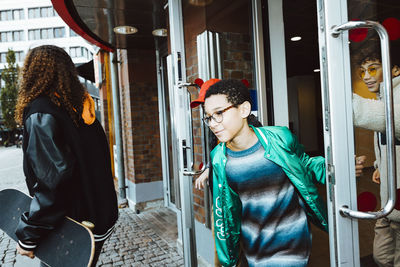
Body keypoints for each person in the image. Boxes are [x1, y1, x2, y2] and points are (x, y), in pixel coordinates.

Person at [203, 79, 328, 267]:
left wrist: (339, 168)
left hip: (293, 244)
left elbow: (306, 165)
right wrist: (229, 257)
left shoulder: (280, 139)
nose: (213, 123)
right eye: (209, 117)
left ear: (244, 110)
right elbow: (227, 210)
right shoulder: (219, 158)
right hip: (255, 250)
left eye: (219, 113)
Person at [14, 45, 118, 266]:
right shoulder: (80, 109)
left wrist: (29, 235)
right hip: (98, 217)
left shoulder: (42, 112)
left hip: (71, 224)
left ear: (32, 72)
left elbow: (53, 181)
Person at [352, 48, 400, 267]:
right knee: (381, 256)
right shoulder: (384, 97)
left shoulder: (395, 98)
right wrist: (380, 165)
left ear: (395, 70)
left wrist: (343, 98)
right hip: (388, 197)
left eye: (373, 69)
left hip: (397, 198)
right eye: (363, 71)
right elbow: (387, 140)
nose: (367, 76)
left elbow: (391, 120)